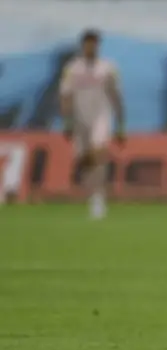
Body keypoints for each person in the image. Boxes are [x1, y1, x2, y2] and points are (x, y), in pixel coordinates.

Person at [58, 30, 125, 220]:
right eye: (88, 44)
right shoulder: (72, 69)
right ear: (82, 46)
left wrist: (120, 123)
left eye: (94, 44)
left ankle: (98, 198)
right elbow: (65, 95)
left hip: (101, 117)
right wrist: (67, 120)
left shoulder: (108, 68)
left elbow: (116, 96)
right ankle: (92, 195)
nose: (91, 47)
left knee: (99, 152)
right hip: (80, 119)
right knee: (84, 160)